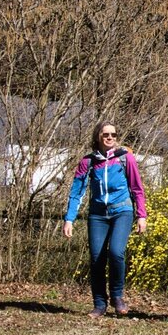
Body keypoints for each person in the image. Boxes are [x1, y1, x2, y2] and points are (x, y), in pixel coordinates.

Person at [63, 122, 147, 318]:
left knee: (117, 252)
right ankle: (99, 303)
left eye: (113, 134)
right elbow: (77, 192)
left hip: (122, 211)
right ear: (98, 137)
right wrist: (69, 219)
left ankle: (117, 297)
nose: (110, 137)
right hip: (98, 214)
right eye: (106, 134)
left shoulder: (125, 158)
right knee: (96, 258)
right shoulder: (88, 162)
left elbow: (137, 188)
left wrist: (141, 215)